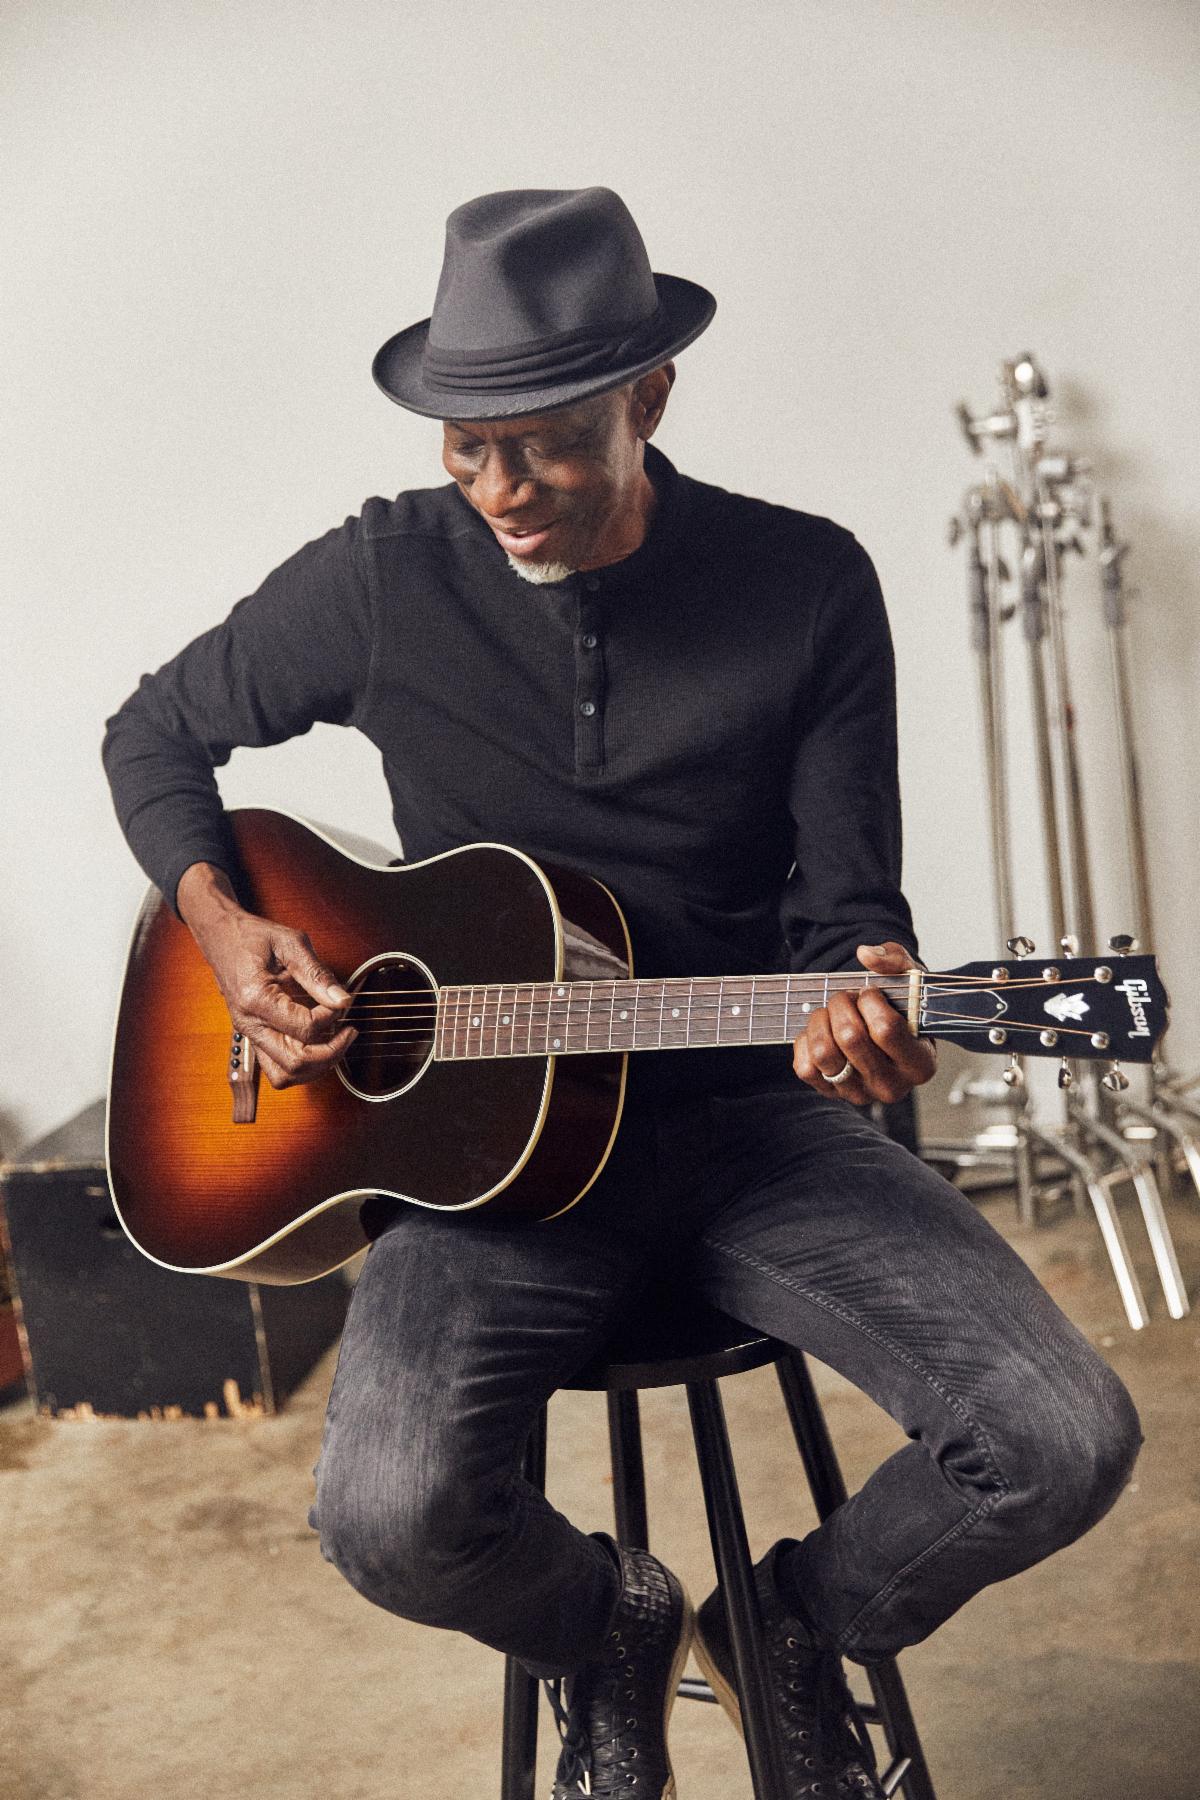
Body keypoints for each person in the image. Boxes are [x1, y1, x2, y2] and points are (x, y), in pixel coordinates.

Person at [103, 187, 1141, 1799]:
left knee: (1066, 1442)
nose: (502, 491)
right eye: (468, 445)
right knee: (384, 1519)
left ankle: (795, 1623)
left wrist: (861, 1016)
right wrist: (231, 935)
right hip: (482, 1166)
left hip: (749, 1125)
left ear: (649, 399)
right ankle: (607, 1625)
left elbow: (850, 910)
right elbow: (151, 735)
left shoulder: (805, 585)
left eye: (548, 444)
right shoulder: (383, 577)